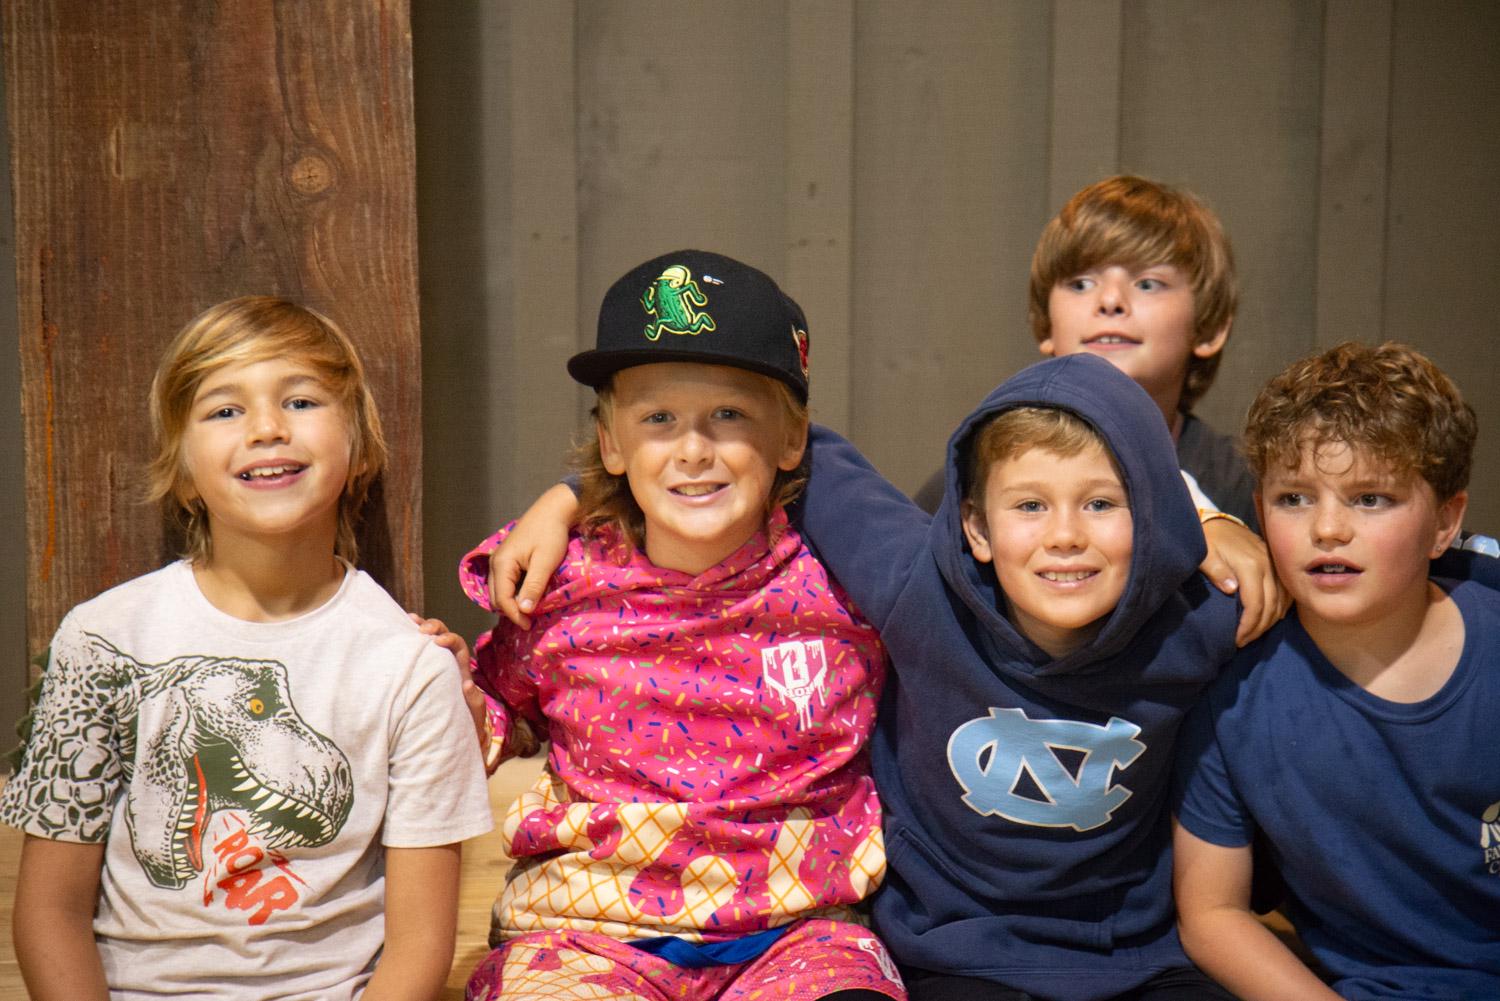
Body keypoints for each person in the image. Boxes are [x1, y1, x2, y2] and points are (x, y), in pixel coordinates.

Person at [490, 349, 1285, 1000]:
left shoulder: (1201, 625)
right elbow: (773, 447)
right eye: (1030, 506)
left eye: (1102, 505)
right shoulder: (918, 591)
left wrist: (1212, 521)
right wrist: (571, 493)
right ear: (975, 526)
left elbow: (1329, 603)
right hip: (954, 950)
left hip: (1138, 955)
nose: (1066, 536)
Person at [0, 297, 493, 1000]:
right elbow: (50, 911)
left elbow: (419, 945)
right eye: (225, 410)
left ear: (358, 448)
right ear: (181, 470)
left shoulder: (411, 667)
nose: (266, 428)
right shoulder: (100, 639)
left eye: (300, 401)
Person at [457, 251, 905, 1000]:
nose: (693, 449)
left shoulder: (846, 587)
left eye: (729, 415)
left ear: (792, 438)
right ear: (611, 443)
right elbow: (501, 711)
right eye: (658, 419)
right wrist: (452, 700)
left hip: (799, 936)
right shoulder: (561, 585)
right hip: (585, 934)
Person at [1172, 341, 1500, 1000]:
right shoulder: (1232, 691)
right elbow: (1212, 914)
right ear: (1259, 511)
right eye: (1294, 497)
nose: (1327, 528)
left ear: (1445, 522)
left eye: (1370, 498)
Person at [912, 175, 1254, 528]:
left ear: (1209, 327)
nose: (1110, 300)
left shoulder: (1245, 488)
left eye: (1148, 284)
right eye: (1080, 284)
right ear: (1046, 324)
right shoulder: (974, 477)